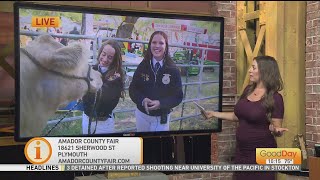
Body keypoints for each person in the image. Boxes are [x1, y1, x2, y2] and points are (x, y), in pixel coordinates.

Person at [205, 56, 289, 180]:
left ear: (264, 71)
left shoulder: (275, 98)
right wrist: (214, 114)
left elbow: (277, 128)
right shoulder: (248, 90)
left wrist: (276, 130)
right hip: (241, 152)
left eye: (253, 67)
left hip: (262, 154)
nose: (250, 70)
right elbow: (237, 116)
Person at [129, 31, 183, 132]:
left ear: (166, 46)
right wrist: (142, 100)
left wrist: (161, 103)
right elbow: (133, 89)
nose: (157, 46)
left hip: (161, 117)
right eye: (154, 42)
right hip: (142, 115)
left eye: (161, 43)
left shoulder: (173, 69)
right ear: (150, 45)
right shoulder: (143, 66)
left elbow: (178, 96)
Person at [82, 39, 125, 134]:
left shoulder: (116, 77)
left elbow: (101, 97)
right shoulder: (91, 69)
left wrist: (85, 88)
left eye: (110, 57)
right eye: (103, 54)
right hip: (86, 118)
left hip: (103, 124)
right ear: (100, 52)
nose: (105, 59)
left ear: (114, 60)